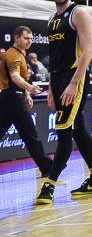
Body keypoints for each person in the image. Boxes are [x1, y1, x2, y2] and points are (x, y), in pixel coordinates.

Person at [36, 0, 92, 204]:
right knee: (77, 128)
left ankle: (49, 185)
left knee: (64, 131)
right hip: (58, 79)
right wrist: (50, 87)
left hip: (74, 77)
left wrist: (74, 83)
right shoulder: (51, 19)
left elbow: (87, 52)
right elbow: (53, 57)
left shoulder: (78, 13)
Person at [0, 26, 53, 177]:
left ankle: (47, 166)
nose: (29, 41)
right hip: (12, 98)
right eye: (26, 38)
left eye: (31, 39)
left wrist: (26, 94)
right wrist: (29, 87)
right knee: (30, 133)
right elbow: (15, 77)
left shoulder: (20, 54)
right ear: (16, 38)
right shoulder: (13, 54)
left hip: (10, 97)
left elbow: (19, 78)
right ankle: (47, 167)